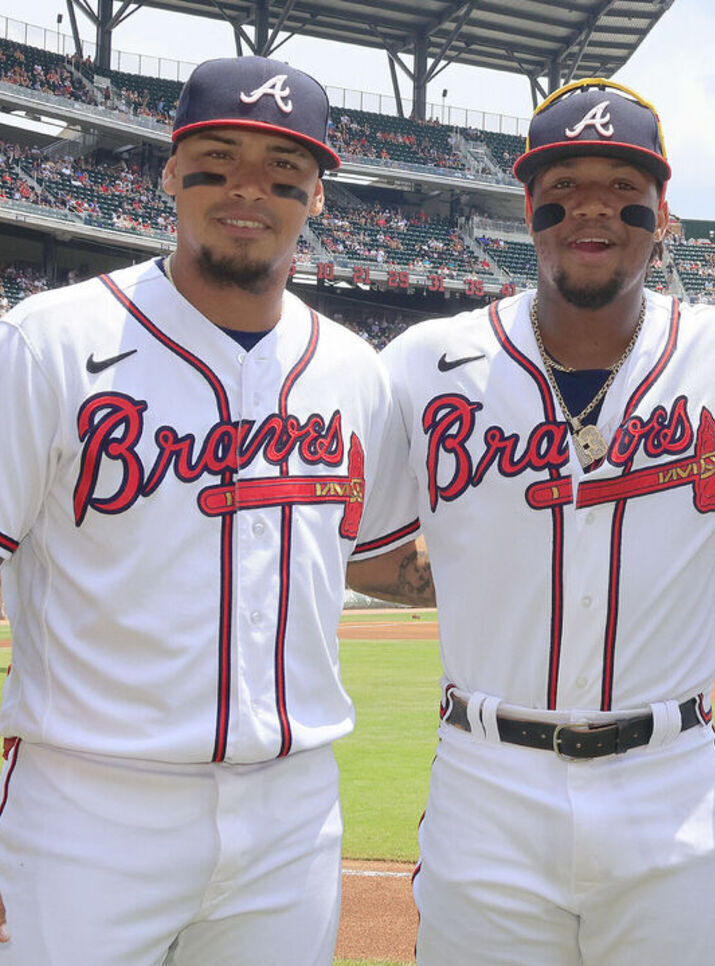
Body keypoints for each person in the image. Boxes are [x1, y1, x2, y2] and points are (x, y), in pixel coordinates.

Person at [351, 78, 715, 965]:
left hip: (666, 778)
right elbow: (358, 546)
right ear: (529, 208)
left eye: (621, 189)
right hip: (487, 780)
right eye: (564, 186)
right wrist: (490, 574)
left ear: (662, 212)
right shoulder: (425, 363)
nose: (590, 209)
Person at [0, 56, 424, 965]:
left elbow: (383, 557)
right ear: (168, 171)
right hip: (91, 804)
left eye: (283, 170)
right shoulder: (51, 340)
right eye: (218, 158)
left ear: (316, 195)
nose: (248, 188)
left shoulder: (352, 368)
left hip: (291, 811)